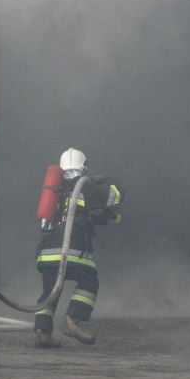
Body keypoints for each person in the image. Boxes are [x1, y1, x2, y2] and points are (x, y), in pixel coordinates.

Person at [33, 148, 123, 348]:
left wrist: (106, 218)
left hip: (47, 252)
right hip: (72, 248)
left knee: (50, 290)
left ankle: (42, 332)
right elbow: (113, 198)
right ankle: (74, 319)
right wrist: (108, 180)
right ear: (84, 167)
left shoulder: (55, 191)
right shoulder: (86, 186)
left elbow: (81, 215)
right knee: (89, 280)